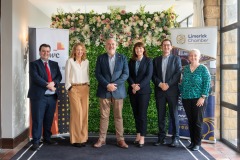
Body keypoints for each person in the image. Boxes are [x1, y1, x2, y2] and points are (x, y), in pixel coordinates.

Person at [94, 38, 129, 149]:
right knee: (104, 117)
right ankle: (102, 139)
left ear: (116, 45)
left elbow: (125, 74)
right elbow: (98, 74)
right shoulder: (101, 58)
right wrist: (107, 85)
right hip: (104, 91)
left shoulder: (122, 57)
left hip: (118, 91)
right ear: (105, 45)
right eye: (108, 44)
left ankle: (120, 140)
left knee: (118, 117)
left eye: (113, 44)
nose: (111, 46)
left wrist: (114, 85)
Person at [28, 44, 62, 151]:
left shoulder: (54, 64)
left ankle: (47, 138)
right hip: (39, 97)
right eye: (43, 51)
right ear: (39, 52)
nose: (46, 53)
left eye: (47, 51)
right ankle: (36, 141)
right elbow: (35, 77)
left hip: (51, 97)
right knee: (37, 119)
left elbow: (59, 77)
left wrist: (53, 83)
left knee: (49, 119)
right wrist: (48, 85)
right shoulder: (34, 64)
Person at [152, 39, 182, 147]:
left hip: (172, 91)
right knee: (161, 115)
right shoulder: (156, 60)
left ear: (171, 47)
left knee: (174, 115)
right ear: (161, 47)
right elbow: (153, 75)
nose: (166, 47)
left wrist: (167, 84)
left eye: (168, 45)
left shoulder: (176, 59)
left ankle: (175, 138)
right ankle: (161, 138)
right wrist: (160, 84)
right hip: (160, 91)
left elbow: (178, 73)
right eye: (164, 45)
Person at [179, 49, 211, 151]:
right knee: (191, 121)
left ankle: (197, 143)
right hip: (186, 99)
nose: (193, 57)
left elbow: (207, 83)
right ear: (189, 57)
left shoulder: (203, 69)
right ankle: (192, 142)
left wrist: (203, 97)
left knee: (197, 122)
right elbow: (183, 83)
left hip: (199, 99)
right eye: (191, 55)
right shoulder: (186, 69)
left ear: (199, 57)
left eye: (195, 55)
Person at [127, 42, 153, 148]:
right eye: (137, 49)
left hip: (143, 92)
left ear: (143, 49)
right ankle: (138, 134)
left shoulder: (148, 61)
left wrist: (138, 86)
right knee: (136, 114)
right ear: (135, 50)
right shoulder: (131, 61)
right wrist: (133, 85)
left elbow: (148, 76)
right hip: (133, 91)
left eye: (140, 48)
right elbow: (128, 75)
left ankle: (142, 136)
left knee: (142, 114)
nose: (138, 50)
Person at [65, 43, 90, 147]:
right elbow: (66, 76)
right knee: (77, 113)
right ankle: (76, 139)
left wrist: (88, 85)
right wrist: (69, 88)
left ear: (83, 51)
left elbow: (87, 74)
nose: (80, 52)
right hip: (74, 88)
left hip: (85, 88)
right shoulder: (70, 61)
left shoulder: (86, 62)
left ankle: (83, 138)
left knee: (84, 114)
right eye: (77, 50)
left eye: (81, 50)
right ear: (74, 51)